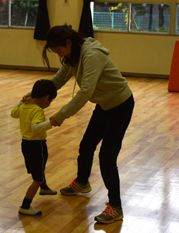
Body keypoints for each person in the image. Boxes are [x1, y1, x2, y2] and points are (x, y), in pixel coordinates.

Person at [36, 25, 134, 224]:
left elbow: (85, 92)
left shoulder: (91, 56)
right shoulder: (73, 56)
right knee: (86, 145)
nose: (59, 55)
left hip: (120, 106)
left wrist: (60, 116)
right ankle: (82, 182)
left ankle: (115, 206)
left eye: (59, 51)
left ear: (69, 43)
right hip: (103, 105)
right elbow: (58, 80)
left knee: (107, 157)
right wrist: (35, 95)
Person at [12, 79, 58, 216]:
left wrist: (21, 101)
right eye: (50, 101)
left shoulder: (24, 106)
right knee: (37, 178)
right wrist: (51, 123)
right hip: (36, 145)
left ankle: (44, 188)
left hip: (26, 144)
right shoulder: (37, 110)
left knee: (40, 166)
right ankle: (25, 206)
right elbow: (35, 127)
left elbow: (13, 113)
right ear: (46, 98)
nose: (49, 104)